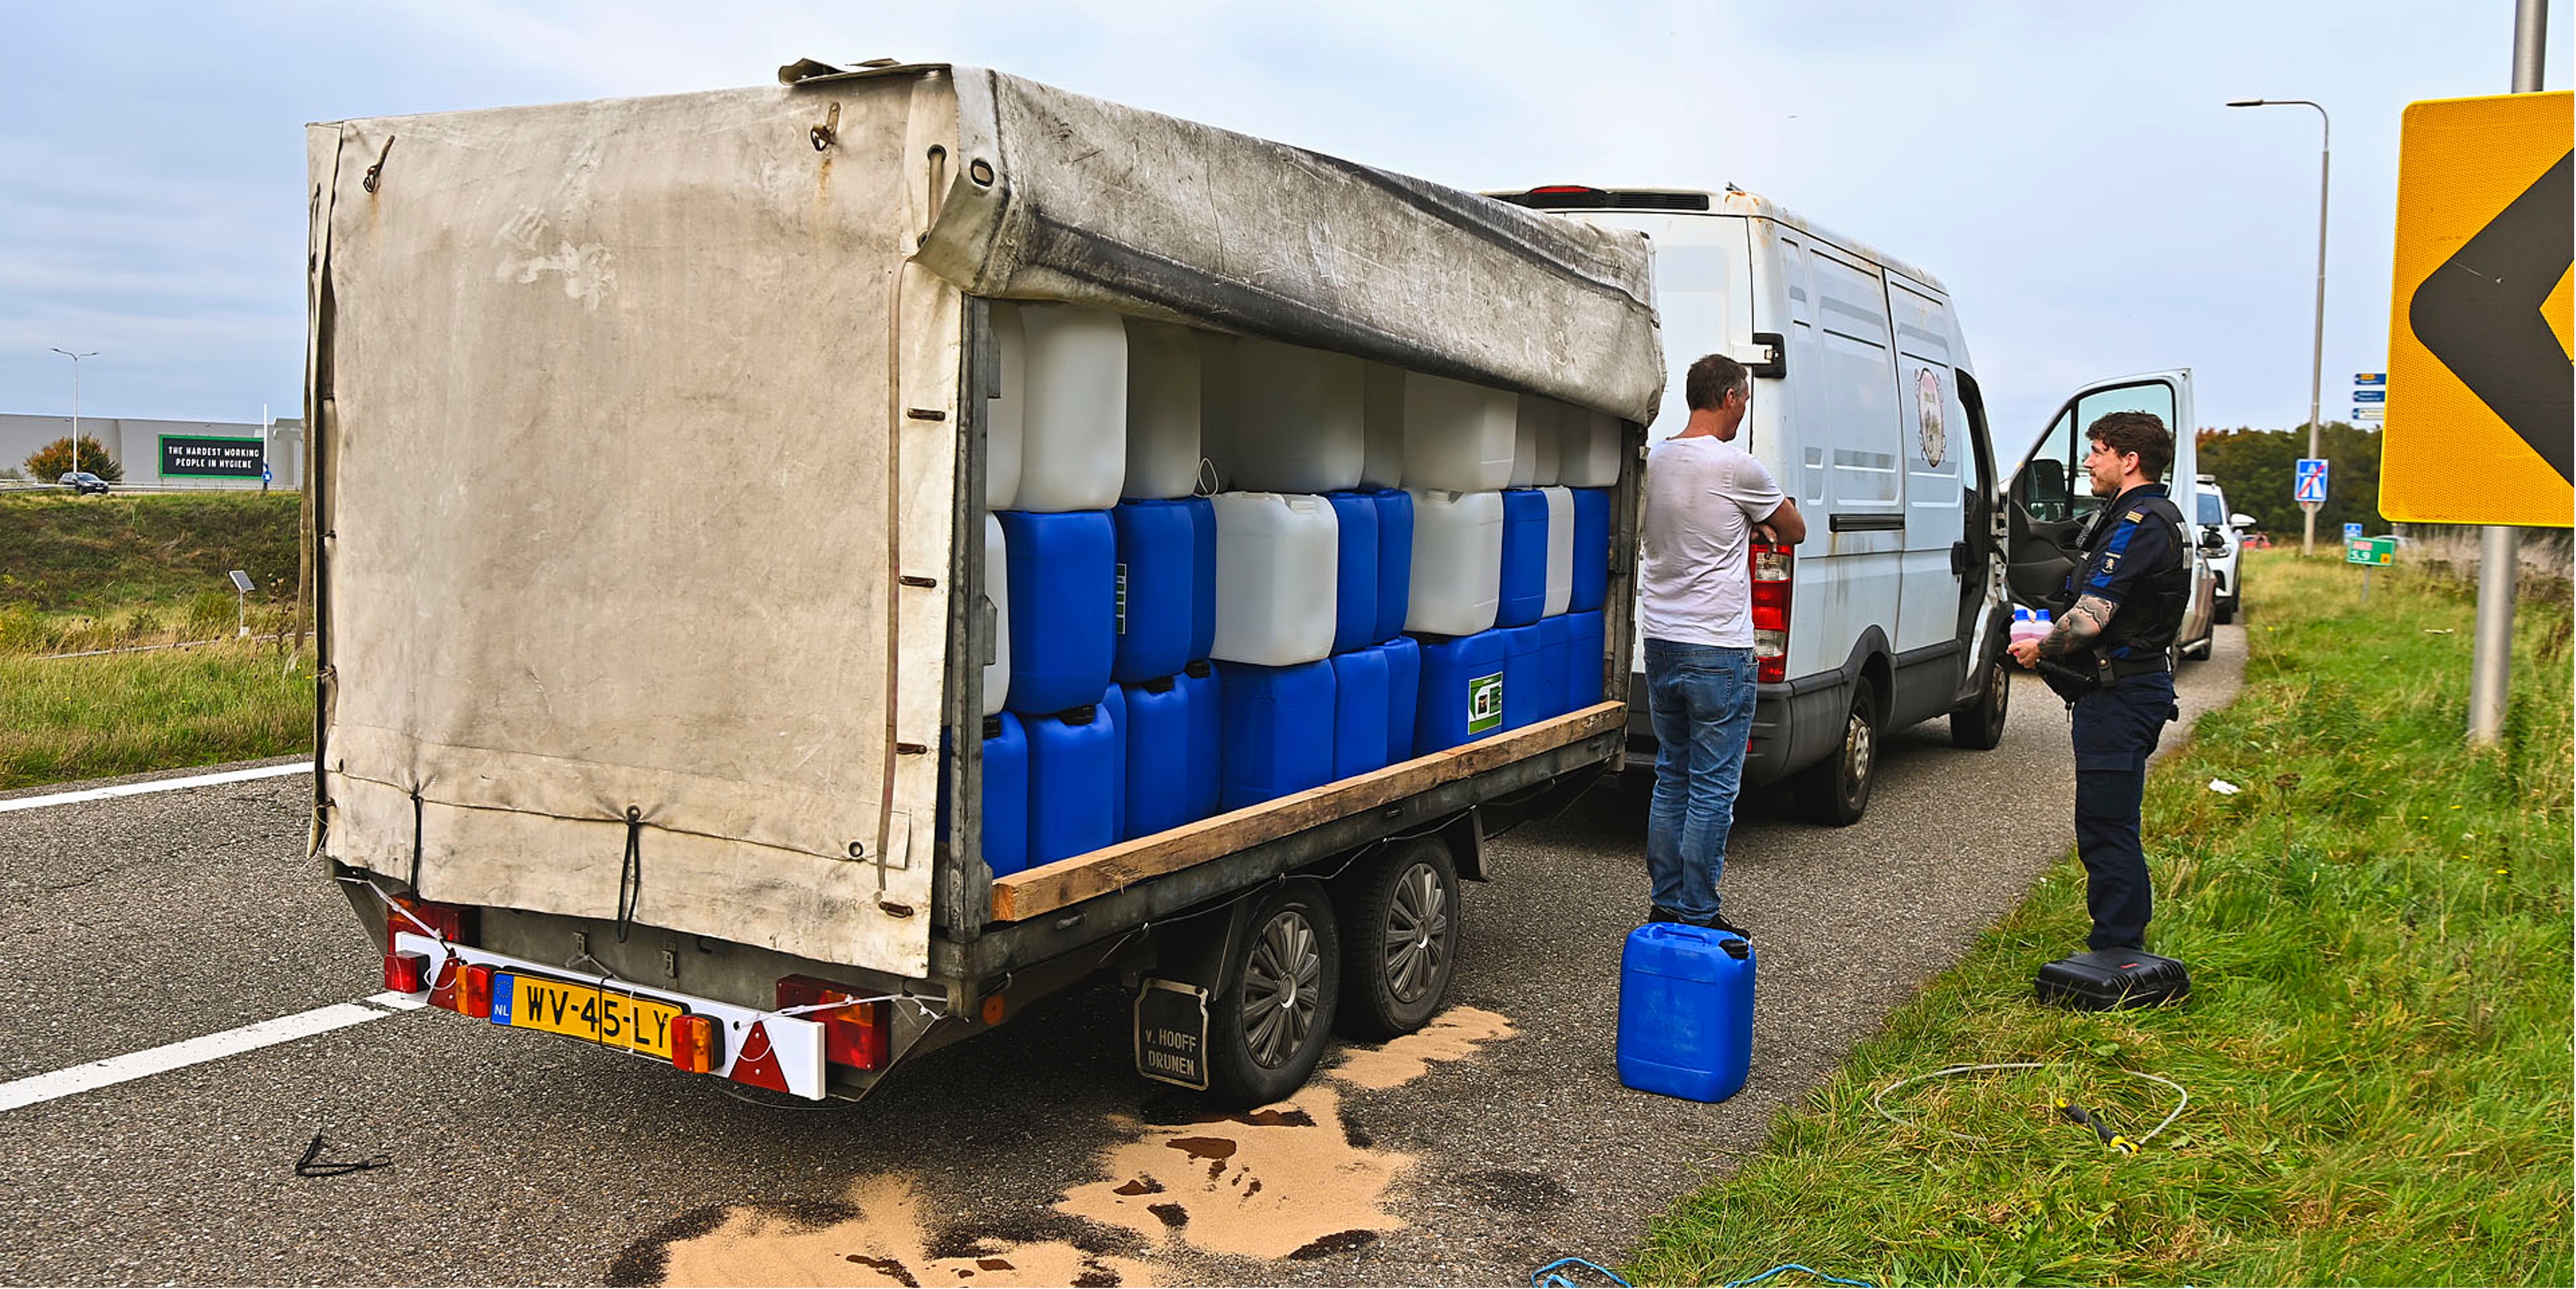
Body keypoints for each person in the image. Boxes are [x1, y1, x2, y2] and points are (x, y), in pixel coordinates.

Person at [2007, 410, 2190, 952]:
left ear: (2129, 460)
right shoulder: (2137, 515)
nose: (2088, 461)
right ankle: (2118, 939)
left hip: (2121, 695)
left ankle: (2118, 950)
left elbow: (2092, 617)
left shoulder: (2141, 523)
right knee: (2108, 824)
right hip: (2125, 689)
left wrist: (2042, 648)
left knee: (2107, 828)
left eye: (2098, 451)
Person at [1637, 353, 1806, 934]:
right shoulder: (1738, 468)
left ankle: (1665, 902)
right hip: (1717, 646)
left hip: (1661, 640)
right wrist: (1755, 521)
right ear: (1730, 398)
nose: (1743, 413)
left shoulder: (1655, 461)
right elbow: (1794, 530)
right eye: (1745, 402)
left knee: (1671, 775)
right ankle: (1699, 912)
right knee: (1713, 787)